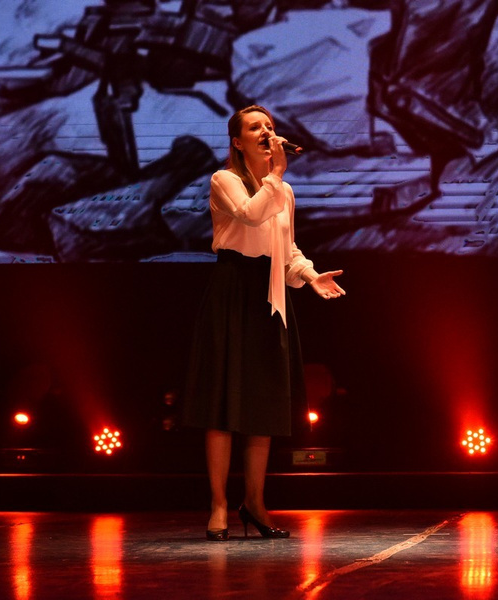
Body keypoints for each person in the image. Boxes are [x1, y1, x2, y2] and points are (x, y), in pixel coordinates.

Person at [183, 105, 346, 541]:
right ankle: (219, 504)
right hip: (232, 289)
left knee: (263, 404)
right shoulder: (225, 180)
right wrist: (275, 175)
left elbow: (286, 248)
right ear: (238, 142)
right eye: (255, 127)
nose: (265, 132)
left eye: (269, 126)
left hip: (270, 291)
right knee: (222, 405)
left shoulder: (284, 191)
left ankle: (254, 503)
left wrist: (310, 275)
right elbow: (251, 215)